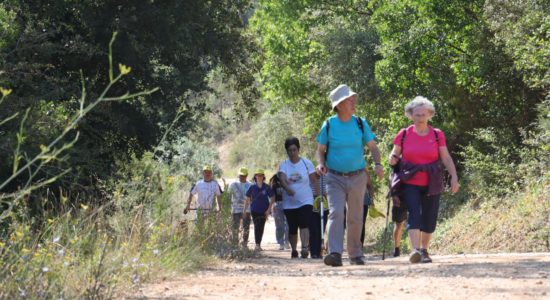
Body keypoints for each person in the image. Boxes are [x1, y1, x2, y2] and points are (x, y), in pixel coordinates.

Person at [316, 84, 384, 267]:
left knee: (355, 216)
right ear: (338, 105)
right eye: (349, 99)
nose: (353, 101)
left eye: (353, 98)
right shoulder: (329, 124)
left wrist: (378, 164)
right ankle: (335, 253)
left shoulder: (360, 123)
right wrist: (321, 163)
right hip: (334, 177)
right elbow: (320, 150)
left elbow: (373, 147)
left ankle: (355, 254)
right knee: (336, 213)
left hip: (358, 176)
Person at [388, 96, 459, 264]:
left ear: (430, 115)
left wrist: (454, 177)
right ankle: (416, 250)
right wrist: (392, 158)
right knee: (414, 215)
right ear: (410, 115)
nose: (420, 118)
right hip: (410, 181)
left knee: (430, 218)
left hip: (432, 181)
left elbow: (446, 158)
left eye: (423, 114)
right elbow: (394, 153)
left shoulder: (437, 135)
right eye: (417, 115)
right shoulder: (404, 134)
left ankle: (425, 250)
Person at [279, 137, 317, 259]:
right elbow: (282, 179)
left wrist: (319, 195)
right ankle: (294, 249)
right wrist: (287, 188)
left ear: (299, 149)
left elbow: (314, 180)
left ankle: (305, 248)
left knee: (304, 223)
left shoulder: (307, 163)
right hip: (289, 202)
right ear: (287, 151)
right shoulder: (284, 164)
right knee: (292, 227)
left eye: (294, 150)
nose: (292, 153)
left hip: (306, 200)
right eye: (290, 150)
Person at [244, 169, 275, 251]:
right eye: (257, 175)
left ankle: (258, 244)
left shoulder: (267, 187)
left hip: (264, 210)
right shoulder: (252, 187)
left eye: (261, 175)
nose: (259, 177)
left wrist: (269, 209)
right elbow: (247, 198)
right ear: (255, 177)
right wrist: (245, 210)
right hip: (254, 210)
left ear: (263, 176)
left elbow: (272, 197)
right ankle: (257, 245)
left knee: (261, 227)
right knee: (257, 226)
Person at [228, 167, 253, 248]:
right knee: (235, 228)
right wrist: (228, 208)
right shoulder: (233, 184)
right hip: (235, 209)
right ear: (238, 175)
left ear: (247, 175)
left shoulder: (250, 185)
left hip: (247, 210)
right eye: (241, 175)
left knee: (246, 227)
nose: (242, 177)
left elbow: (253, 198)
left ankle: (245, 244)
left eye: (244, 175)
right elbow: (228, 196)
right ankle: (235, 244)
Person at [309, 173, 329, 259]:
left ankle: (319, 251)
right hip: (313, 200)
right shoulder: (311, 176)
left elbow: (329, 189)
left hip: (324, 201)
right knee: (314, 228)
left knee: (322, 227)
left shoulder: (327, 176)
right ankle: (313, 251)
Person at [269, 173, 290, 250]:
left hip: (288, 204)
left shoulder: (288, 178)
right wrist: (271, 206)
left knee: (288, 225)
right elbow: (271, 195)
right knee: (279, 225)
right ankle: (281, 243)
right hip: (277, 204)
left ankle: (287, 241)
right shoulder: (274, 181)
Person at [360, 171, 375, 247]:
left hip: (364, 202)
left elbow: (370, 186)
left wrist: (371, 200)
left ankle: (360, 247)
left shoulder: (365, 173)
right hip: (350, 202)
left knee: (361, 224)